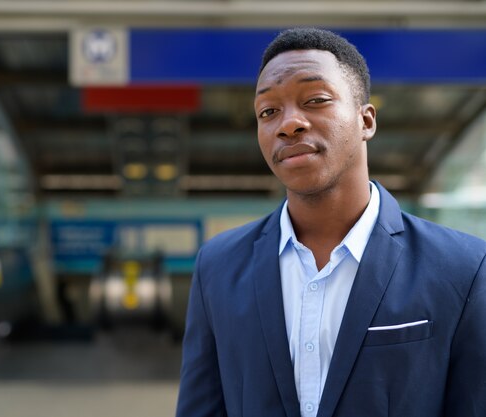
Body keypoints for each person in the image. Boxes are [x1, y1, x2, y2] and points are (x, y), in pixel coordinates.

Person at [176, 27, 486, 417]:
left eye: (316, 99)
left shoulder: (463, 268)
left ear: (366, 120)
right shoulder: (218, 267)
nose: (289, 124)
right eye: (268, 111)